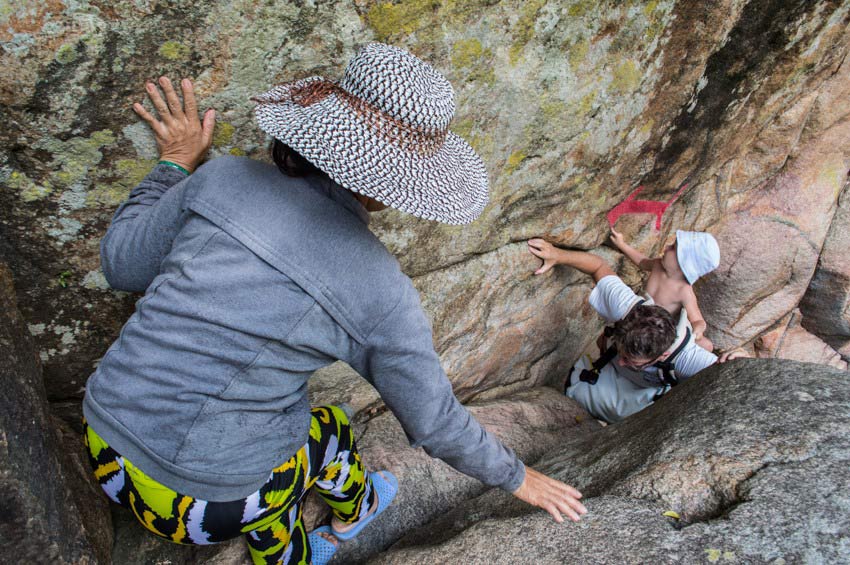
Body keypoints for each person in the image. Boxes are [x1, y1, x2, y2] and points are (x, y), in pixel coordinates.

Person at [82, 43, 586, 565]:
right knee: (330, 428)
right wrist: (519, 477)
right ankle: (352, 512)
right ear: (397, 187)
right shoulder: (380, 289)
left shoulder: (221, 177)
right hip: (210, 506)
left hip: (103, 446)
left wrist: (173, 165)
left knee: (269, 463)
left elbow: (121, 265)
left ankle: (283, 529)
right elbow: (434, 422)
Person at [527, 238, 746, 424]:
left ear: (664, 355)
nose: (621, 360)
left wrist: (743, 359)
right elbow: (598, 266)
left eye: (630, 359)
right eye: (622, 353)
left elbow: (735, 381)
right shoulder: (627, 307)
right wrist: (557, 254)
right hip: (606, 379)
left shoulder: (686, 359)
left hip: (645, 396)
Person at [610, 226, 720, 351]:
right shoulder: (658, 265)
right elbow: (642, 261)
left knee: (706, 345)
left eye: (672, 248)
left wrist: (697, 331)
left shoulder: (683, 291)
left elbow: (698, 320)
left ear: (684, 264)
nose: (666, 247)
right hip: (636, 316)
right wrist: (622, 244)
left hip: (657, 332)